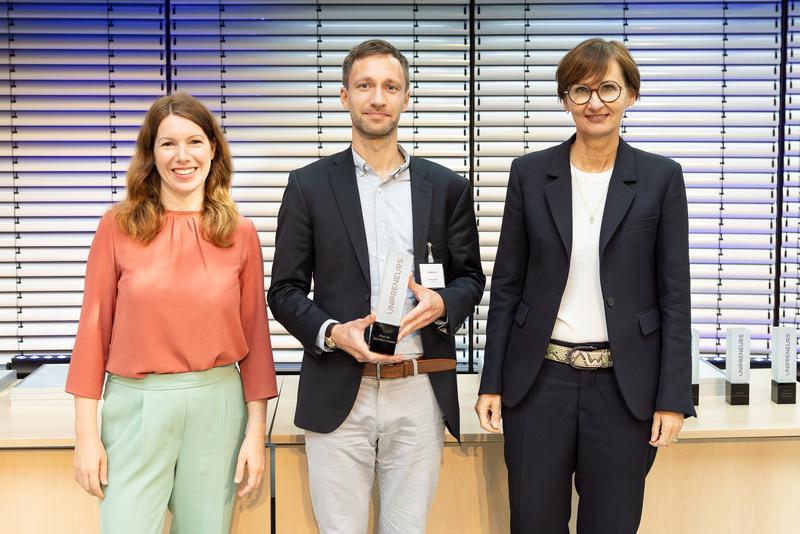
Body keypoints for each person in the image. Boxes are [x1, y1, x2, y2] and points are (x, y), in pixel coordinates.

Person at [475, 38, 696, 533]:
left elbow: (674, 295)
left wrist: (672, 396)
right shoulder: (530, 175)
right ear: (564, 99)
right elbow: (507, 286)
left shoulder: (661, 178)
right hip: (539, 383)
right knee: (533, 522)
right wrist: (492, 382)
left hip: (625, 388)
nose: (595, 102)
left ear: (631, 96)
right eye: (581, 90)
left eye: (609, 89)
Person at [268, 39, 484, 534]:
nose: (378, 98)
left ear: (406, 97)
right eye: (365, 86)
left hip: (418, 386)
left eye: (390, 86)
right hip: (342, 386)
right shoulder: (309, 185)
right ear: (344, 96)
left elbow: (470, 278)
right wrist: (331, 332)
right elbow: (284, 290)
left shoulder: (446, 186)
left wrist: (443, 302)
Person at [66, 92, 277, 534]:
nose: (183, 156)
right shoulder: (116, 228)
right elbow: (92, 334)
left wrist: (255, 435)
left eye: (195, 141)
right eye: (168, 144)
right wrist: (86, 437)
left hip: (217, 404)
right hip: (135, 406)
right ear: (151, 154)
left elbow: (256, 341)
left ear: (213, 149)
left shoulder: (240, 233)